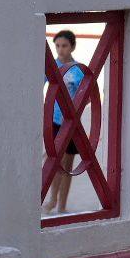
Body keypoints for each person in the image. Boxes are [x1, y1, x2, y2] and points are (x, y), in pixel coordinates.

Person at [44, 29, 85, 215]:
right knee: (56, 162)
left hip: (72, 122)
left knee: (68, 165)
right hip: (54, 120)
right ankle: (52, 198)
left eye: (64, 46)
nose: (60, 50)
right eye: (58, 46)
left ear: (72, 46)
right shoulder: (51, 66)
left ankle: (62, 204)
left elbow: (86, 96)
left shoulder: (78, 69)